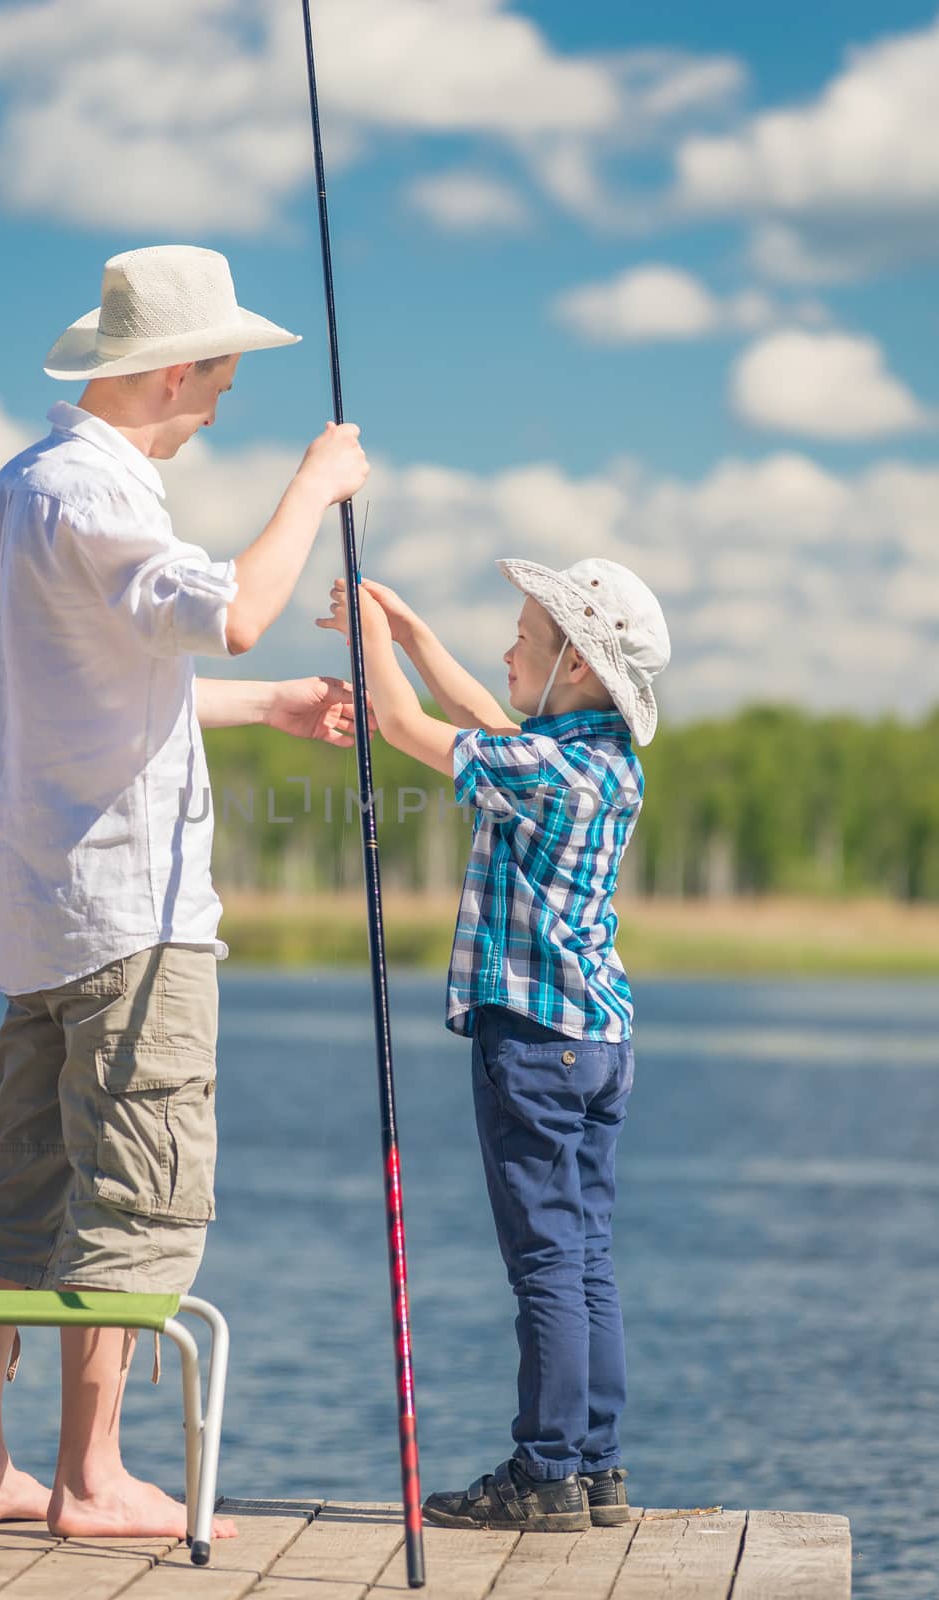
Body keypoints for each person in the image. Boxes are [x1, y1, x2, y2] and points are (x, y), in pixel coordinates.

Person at [0, 244, 369, 1541]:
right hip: (135, 919)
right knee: (143, 1192)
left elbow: (107, 684)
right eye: (226, 381)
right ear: (176, 372)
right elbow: (233, 608)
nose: (228, 403)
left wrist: (273, 709)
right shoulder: (107, 495)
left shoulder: (29, 485)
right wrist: (318, 483)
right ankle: (93, 1480)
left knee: (18, 1193)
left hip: (40, 918)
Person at [318, 556, 669, 1532]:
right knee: (587, 1256)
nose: (509, 646)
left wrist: (371, 644)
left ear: (580, 670)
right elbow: (481, 717)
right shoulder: (597, 764)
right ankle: (595, 1465)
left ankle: (546, 1469)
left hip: (536, 1043)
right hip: (600, 1039)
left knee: (547, 1263)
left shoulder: (548, 770)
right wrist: (410, 627)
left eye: (528, 635)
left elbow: (412, 728)